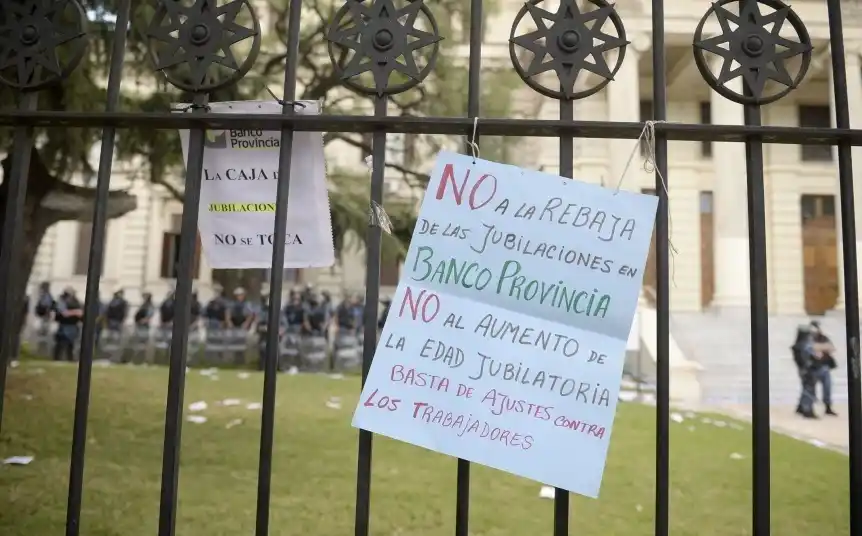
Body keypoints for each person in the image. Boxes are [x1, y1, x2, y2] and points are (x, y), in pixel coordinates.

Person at [810, 321, 838, 416]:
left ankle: (828, 407)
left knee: (827, 387)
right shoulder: (807, 338)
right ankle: (809, 408)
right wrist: (822, 348)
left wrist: (818, 348)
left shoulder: (823, 338)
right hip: (812, 368)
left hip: (824, 367)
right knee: (810, 389)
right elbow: (808, 348)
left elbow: (832, 348)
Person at [53, 287, 83, 361]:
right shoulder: (62, 301)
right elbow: (64, 313)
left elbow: (81, 313)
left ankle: (70, 359)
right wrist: (75, 312)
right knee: (61, 344)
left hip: (73, 325)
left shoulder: (76, 301)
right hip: (64, 324)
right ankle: (57, 359)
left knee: (71, 344)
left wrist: (76, 313)